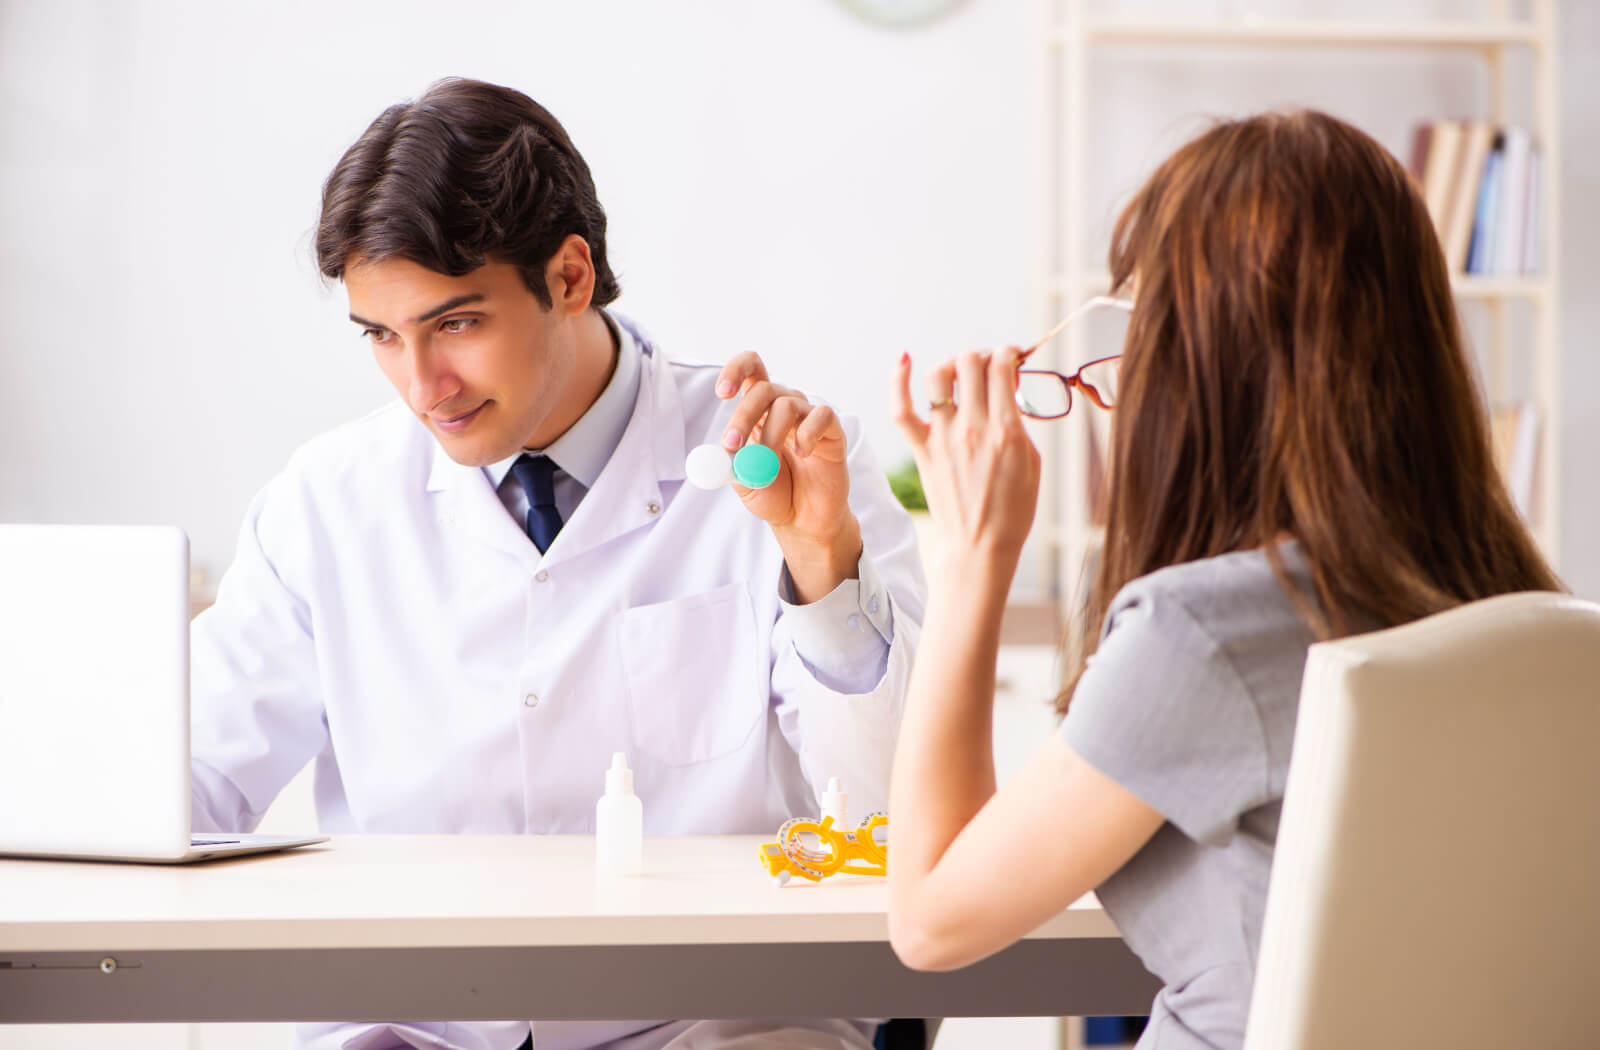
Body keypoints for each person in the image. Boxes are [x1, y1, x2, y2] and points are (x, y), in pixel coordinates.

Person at [188, 77, 925, 1050]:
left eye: (456, 323)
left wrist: (819, 561)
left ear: (569, 276)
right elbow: (188, 779)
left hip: (713, 1019)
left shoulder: (781, 466)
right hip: (418, 1029)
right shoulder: (325, 503)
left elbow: (896, 804)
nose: (422, 386)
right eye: (382, 337)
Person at [884, 109, 1563, 1050]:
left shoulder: (1201, 634)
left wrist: (971, 561)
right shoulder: (1526, 614)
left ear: (1201, 365)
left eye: (1135, 333)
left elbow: (928, 925)